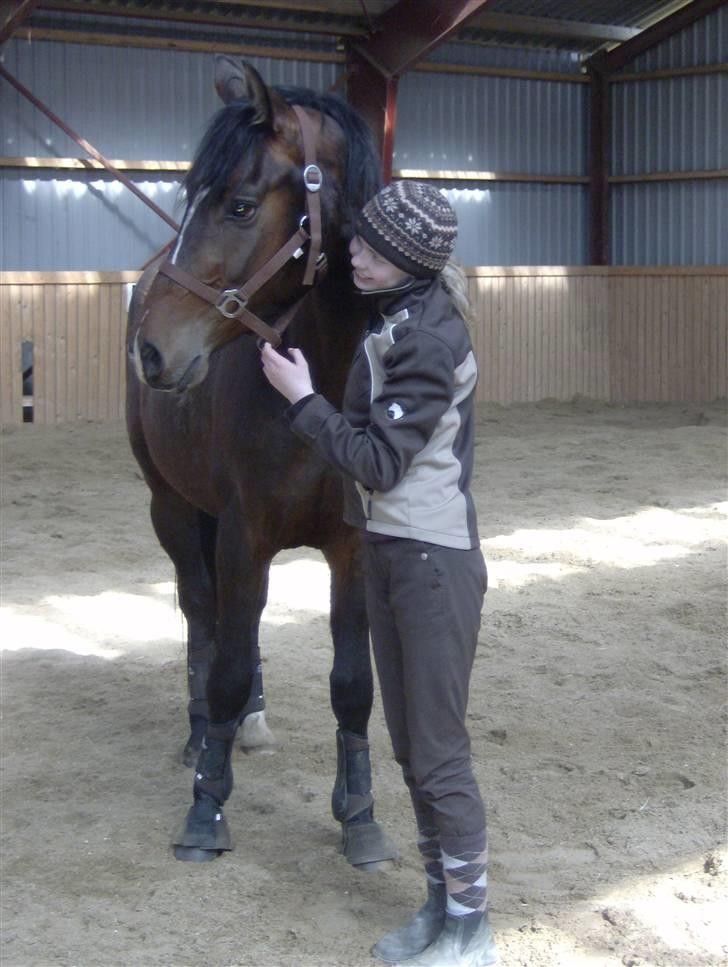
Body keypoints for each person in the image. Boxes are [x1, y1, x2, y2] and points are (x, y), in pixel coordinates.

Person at [261, 180, 498, 967]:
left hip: (431, 560)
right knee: (408, 748)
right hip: (394, 553)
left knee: (438, 751)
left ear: (403, 260)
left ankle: (471, 926)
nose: (352, 253)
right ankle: (441, 907)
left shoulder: (428, 338)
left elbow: (379, 461)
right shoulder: (394, 318)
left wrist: (302, 400)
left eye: (368, 245)